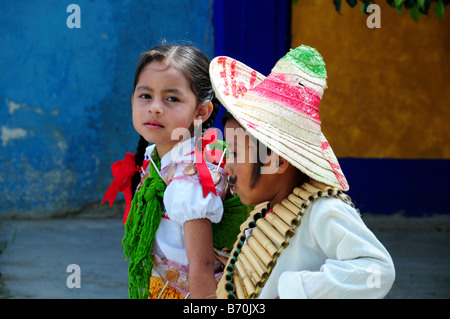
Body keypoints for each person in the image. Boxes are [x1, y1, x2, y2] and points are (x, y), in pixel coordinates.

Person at [210, 45, 395, 299]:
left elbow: (378, 271)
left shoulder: (323, 209)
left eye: (235, 153)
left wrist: (292, 290)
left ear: (276, 160)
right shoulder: (268, 208)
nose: (226, 165)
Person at [102, 44, 234, 299]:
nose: (155, 108)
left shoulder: (191, 179)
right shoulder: (154, 157)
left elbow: (202, 266)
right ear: (132, 100)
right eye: (145, 96)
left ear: (200, 112)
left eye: (172, 99)